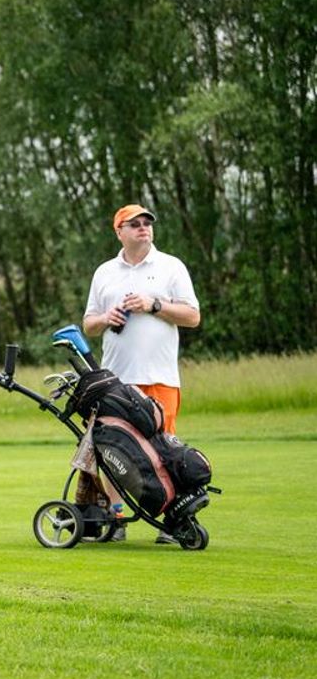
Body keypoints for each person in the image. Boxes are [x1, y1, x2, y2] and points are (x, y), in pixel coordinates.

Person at [83, 203, 201, 541]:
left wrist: (154, 305)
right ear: (119, 231)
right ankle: (117, 517)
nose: (143, 227)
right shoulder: (104, 272)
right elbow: (89, 324)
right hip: (116, 379)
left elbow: (193, 317)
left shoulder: (171, 266)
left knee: (166, 451)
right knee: (113, 450)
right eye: (134, 224)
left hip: (161, 377)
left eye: (147, 222)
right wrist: (106, 318)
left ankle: (173, 522)